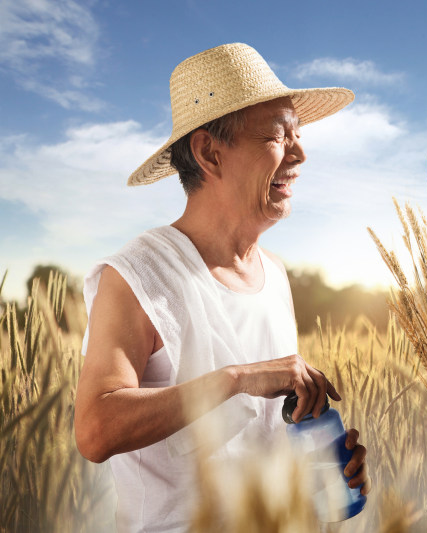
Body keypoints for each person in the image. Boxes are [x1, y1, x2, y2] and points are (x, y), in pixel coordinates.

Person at [74, 43, 370, 532]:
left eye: (298, 133)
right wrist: (237, 379)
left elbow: (256, 440)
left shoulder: (274, 275)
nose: (300, 152)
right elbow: (95, 430)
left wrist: (320, 466)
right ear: (209, 152)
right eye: (279, 135)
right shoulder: (137, 275)